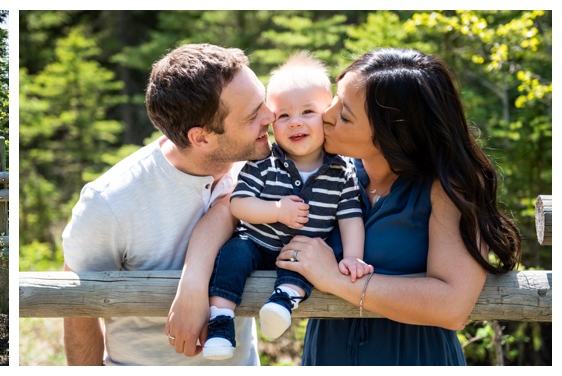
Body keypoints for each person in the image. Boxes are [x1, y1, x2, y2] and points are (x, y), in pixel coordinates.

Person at [272, 48, 522, 365]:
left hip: (413, 358)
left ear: (394, 134)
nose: (326, 115)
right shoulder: (327, 170)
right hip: (326, 357)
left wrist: (333, 280)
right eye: (335, 98)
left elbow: (453, 307)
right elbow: (232, 201)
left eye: (345, 115)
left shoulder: (449, 187)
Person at [61, 43, 274, 366]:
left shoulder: (262, 164)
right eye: (252, 115)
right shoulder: (110, 202)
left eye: (263, 101)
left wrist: (194, 280)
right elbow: (78, 308)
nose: (270, 117)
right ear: (201, 138)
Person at [201, 51, 369, 360]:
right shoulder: (266, 161)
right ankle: (220, 320)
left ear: (328, 112)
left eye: (308, 111)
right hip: (256, 242)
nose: (295, 123)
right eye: (284, 116)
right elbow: (239, 204)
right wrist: (276, 210)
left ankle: (283, 300)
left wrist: (355, 258)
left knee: (316, 256)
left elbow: (351, 218)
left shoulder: (341, 170)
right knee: (233, 254)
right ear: (271, 120)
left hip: (300, 251)